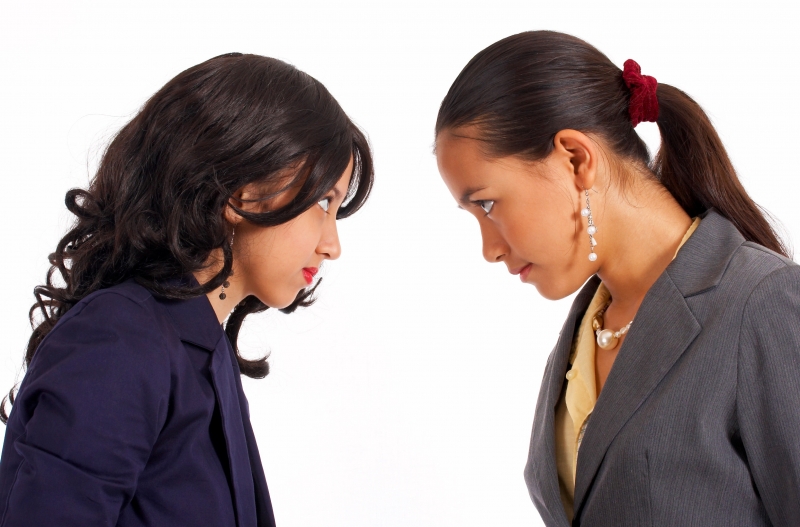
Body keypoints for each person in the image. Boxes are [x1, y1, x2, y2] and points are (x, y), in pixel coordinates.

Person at [434, 31, 800, 527]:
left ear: (575, 159)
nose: (489, 249)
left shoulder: (766, 303)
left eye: (488, 204)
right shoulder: (587, 328)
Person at [0, 53, 373, 527]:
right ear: (241, 191)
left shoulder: (201, 350)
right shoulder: (119, 340)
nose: (331, 245)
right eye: (323, 202)